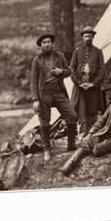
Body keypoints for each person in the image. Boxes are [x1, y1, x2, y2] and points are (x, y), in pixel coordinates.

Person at [60, 87, 111, 176]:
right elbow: (101, 121)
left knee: (97, 150)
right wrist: (90, 133)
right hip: (105, 132)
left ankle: (92, 149)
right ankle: (68, 166)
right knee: (87, 142)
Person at [30, 33, 78, 161]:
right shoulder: (37, 60)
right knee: (44, 122)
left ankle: (71, 144)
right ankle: (47, 149)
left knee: (72, 115)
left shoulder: (59, 56)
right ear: (41, 46)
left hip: (58, 91)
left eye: (48, 42)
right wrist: (35, 100)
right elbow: (33, 81)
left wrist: (61, 72)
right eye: (44, 43)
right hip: (44, 93)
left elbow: (69, 71)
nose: (46, 44)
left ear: (52, 43)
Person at [70, 26, 105, 138]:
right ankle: (82, 137)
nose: (88, 38)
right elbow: (72, 69)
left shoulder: (98, 52)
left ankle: (92, 136)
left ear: (93, 37)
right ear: (82, 37)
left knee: (92, 111)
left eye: (90, 36)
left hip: (93, 87)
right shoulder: (76, 51)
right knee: (81, 113)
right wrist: (79, 83)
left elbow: (101, 71)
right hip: (80, 88)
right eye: (86, 36)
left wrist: (93, 84)